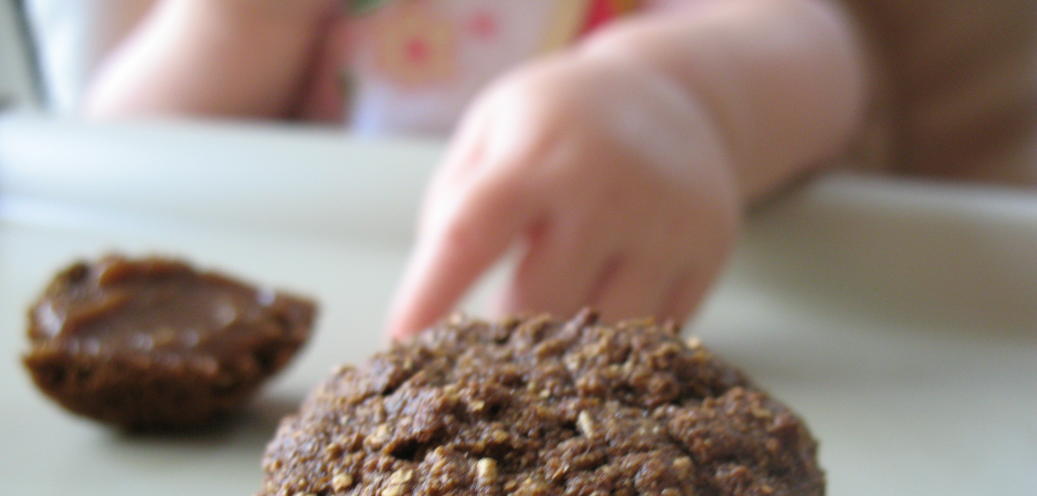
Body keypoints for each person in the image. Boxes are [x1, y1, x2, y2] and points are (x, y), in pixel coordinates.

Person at [82, 0, 1037, 338]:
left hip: (651, 319)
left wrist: (676, 98)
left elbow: (820, 53)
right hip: (321, 347)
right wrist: (232, 25)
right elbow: (111, 167)